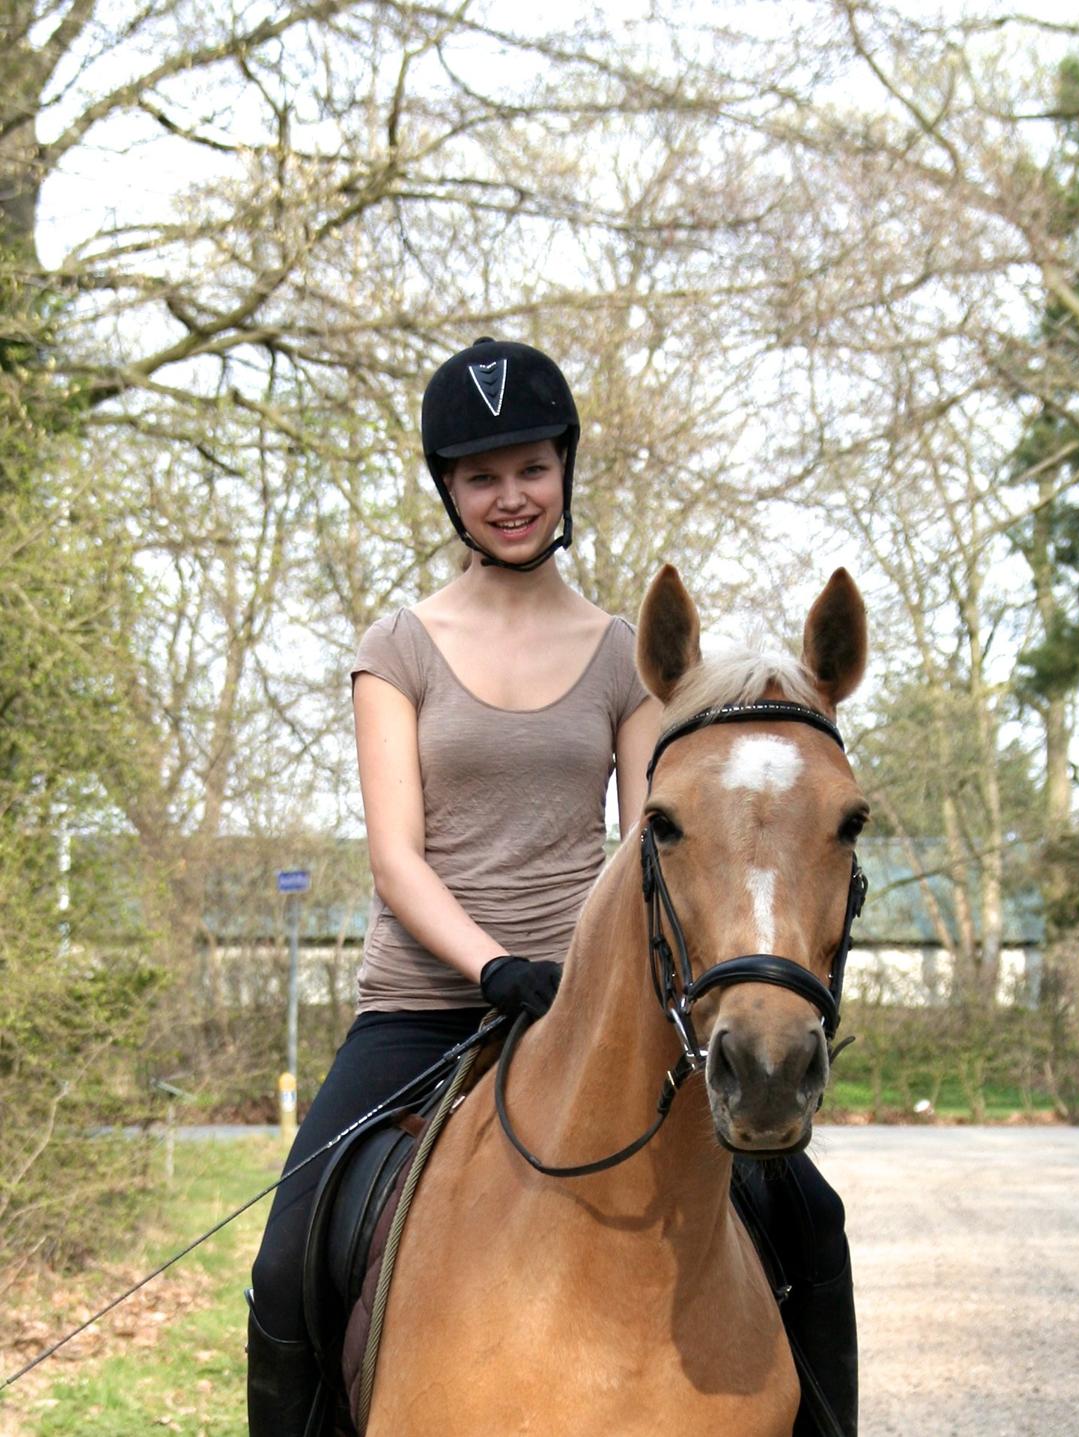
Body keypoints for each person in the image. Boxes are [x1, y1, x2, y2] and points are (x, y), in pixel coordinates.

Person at [246, 337, 857, 1437]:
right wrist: (494, 967)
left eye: (530, 467)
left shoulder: (626, 654)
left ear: (565, 471)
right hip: (423, 1006)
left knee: (808, 1214)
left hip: (596, 1011)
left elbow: (649, 840)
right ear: (450, 493)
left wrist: (588, 977)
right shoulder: (400, 646)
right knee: (290, 1249)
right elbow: (397, 857)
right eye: (481, 476)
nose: (510, 496)